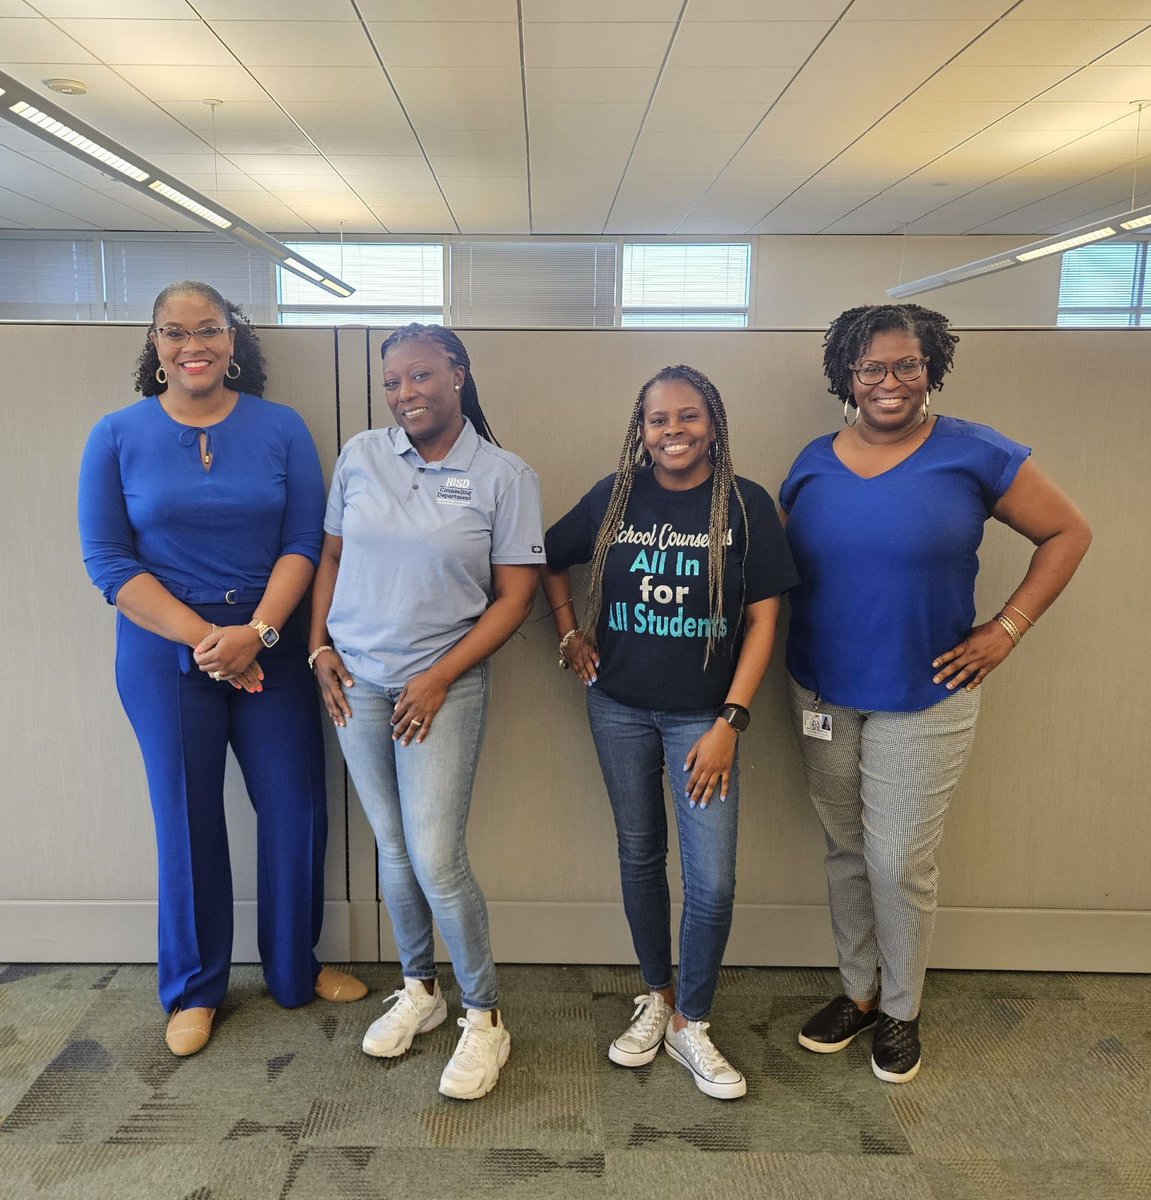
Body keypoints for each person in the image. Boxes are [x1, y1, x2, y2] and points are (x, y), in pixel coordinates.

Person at [781, 303, 1092, 1084]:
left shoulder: (976, 453)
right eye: (871, 369)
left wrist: (1007, 627)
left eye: (906, 366)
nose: (889, 383)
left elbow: (1068, 533)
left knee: (896, 862)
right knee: (846, 852)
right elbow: (776, 571)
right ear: (845, 378)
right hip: (819, 690)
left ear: (931, 369)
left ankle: (899, 1009)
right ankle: (855, 994)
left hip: (925, 695)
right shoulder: (813, 460)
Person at [78, 280, 366, 1058]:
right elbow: (107, 562)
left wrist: (259, 633)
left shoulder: (281, 428)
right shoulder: (115, 434)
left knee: (298, 810)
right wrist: (213, 639)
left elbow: (306, 541)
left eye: (207, 329)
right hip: (165, 651)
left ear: (233, 340)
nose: (192, 345)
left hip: (269, 643)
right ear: (155, 344)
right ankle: (195, 987)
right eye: (174, 332)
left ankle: (291, 972)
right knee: (187, 817)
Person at [542, 365, 798, 1100]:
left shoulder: (744, 504)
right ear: (640, 428)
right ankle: (656, 995)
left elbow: (763, 621)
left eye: (688, 417)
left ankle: (692, 1022)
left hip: (704, 719)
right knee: (639, 855)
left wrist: (730, 720)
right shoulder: (614, 496)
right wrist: (569, 634)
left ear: (712, 424)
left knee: (712, 882)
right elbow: (546, 559)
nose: (673, 432)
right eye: (658, 420)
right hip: (616, 706)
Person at [309, 324, 543, 1102]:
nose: (405, 394)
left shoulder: (504, 475)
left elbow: (515, 596)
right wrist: (318, 649)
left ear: (458, 375)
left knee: (437, 856)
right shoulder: (360, 455)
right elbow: (331, 556)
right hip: (357, 683)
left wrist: (441, 676)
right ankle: (420, 990)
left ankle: (484, 1018)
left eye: (420, 377)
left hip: (440, 687)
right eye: (392, 382)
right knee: (392, 847)